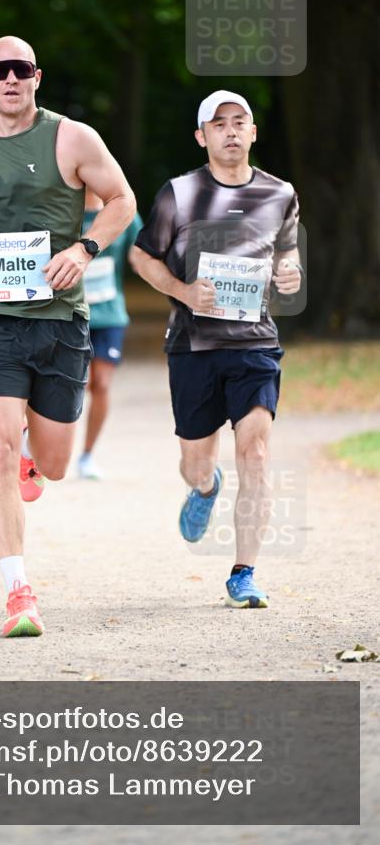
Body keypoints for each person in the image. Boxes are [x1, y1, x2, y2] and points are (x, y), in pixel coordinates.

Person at [0, 36, 136, 637]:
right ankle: (18, 591)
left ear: (37, 77)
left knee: (56, 463)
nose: (10, 80)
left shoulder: (73, 138)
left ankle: (35, 461)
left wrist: (85, 248)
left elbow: (121, 198)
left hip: (60, 319)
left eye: (21, 70)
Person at [133, 91, 303, 609]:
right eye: (219, 124)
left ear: (253, 133)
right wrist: (183, 292)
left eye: (240, 122)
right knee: (196, 462)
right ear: (201, 136)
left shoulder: (281, 194)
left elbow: (288, 256)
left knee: (255, 450)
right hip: (192, 346)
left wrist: (291, 274)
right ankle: (205, 488)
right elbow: (143, 258)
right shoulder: (179, 194)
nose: (231, 131)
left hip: (255, 344)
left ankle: (243, 573)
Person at [77, 188, 143, 479]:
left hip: (109, 314)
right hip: (70, 314)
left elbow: (142, 253)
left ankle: (87, 455)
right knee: (69, 386)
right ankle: (45, 451)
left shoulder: (123, 212)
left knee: (100, 384)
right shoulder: (62, 210)